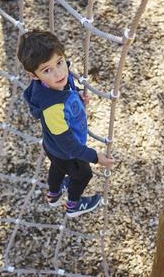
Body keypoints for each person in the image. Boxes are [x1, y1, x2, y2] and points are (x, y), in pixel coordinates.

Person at [17, 30, 115, 218]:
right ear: (34, 75)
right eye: (47, 70)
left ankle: (53, 194)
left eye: (60, 62)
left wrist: (76, 94)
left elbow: (67, 87)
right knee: (83, 174)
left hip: (52, 147)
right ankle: (73, 205)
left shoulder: (59, 79)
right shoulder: (52, 109)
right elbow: (69, 144)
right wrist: (95, 157)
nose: (59, 73)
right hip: (68, 152)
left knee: (57, 167)